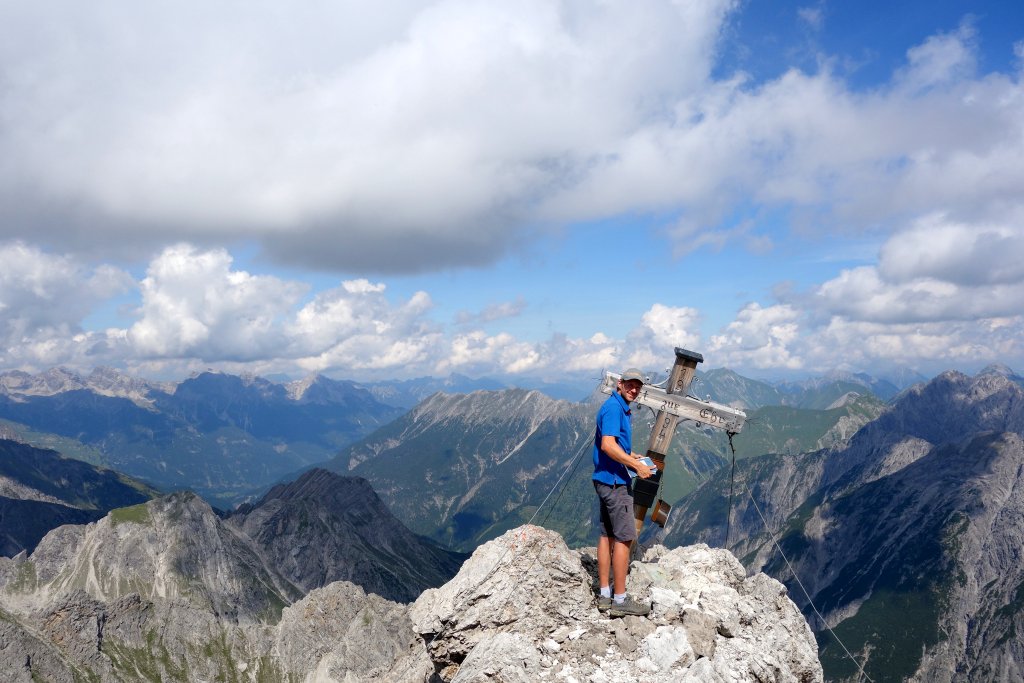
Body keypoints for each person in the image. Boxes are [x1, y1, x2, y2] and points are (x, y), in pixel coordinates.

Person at [592, 367, 653, 617]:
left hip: (606, 479)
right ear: (620, 383)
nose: (634, 390)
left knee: (607, 535)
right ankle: (620, 600)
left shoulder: (617, 406)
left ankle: (605, 595)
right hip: (616, 484)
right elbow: (607, 445)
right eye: (630, 384)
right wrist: (636, 466)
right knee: (624, 538)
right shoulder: (614, 409)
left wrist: (630, 455)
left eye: (638, 386)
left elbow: (614, 444)